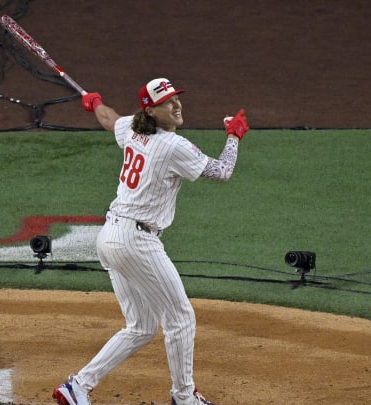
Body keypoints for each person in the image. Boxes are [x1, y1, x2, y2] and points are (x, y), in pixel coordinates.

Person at [52, 78, 249, 405]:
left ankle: (77, 387)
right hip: (136, 242)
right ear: (151, 110)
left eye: (176, 99)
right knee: (180, 318)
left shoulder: (132, 128)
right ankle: (184, 398)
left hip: (111, 236)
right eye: (168, 102)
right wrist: (234, 135)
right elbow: (222, 171)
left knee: (142, 326)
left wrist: (95, 102)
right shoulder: (173, 146)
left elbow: (107, 119)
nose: (176, 106)